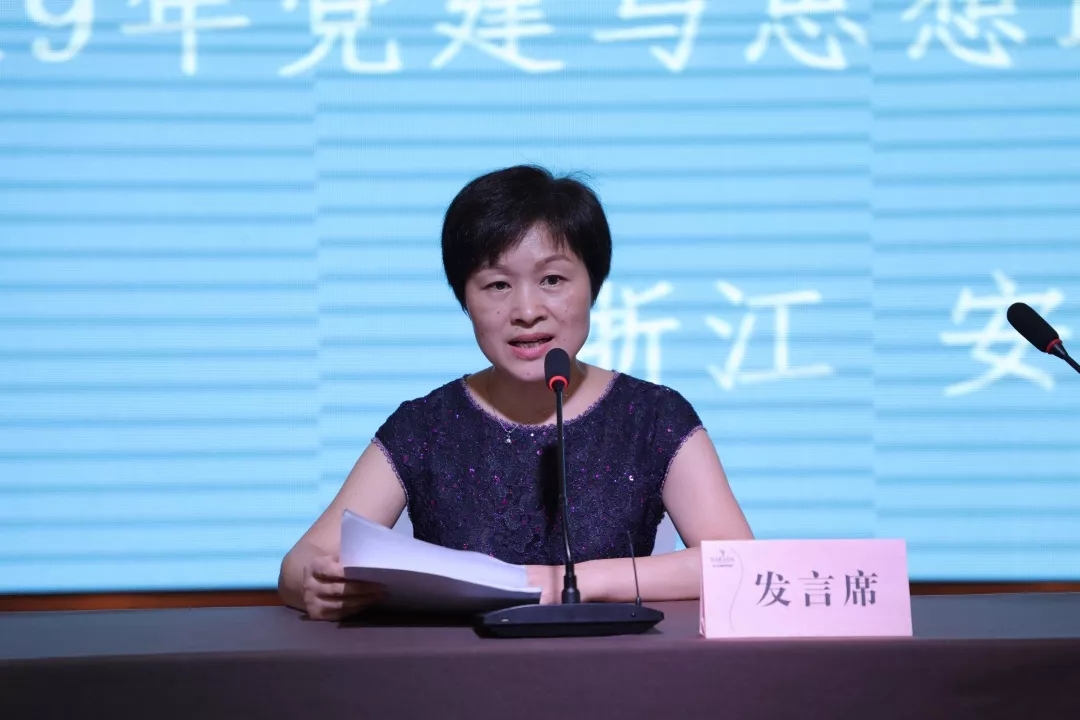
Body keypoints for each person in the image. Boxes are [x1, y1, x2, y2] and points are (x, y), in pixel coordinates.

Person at [278, 165, 753, 620]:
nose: (527, 311)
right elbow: (301, 562)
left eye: (552, 280)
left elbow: (738, 562)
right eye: (498, 285)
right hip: (456, 670)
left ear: (593, 285)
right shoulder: (425, 425)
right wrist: (316, 584)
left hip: (614, 666)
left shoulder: (653, 416)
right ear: (464, 299)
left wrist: (568, 582)